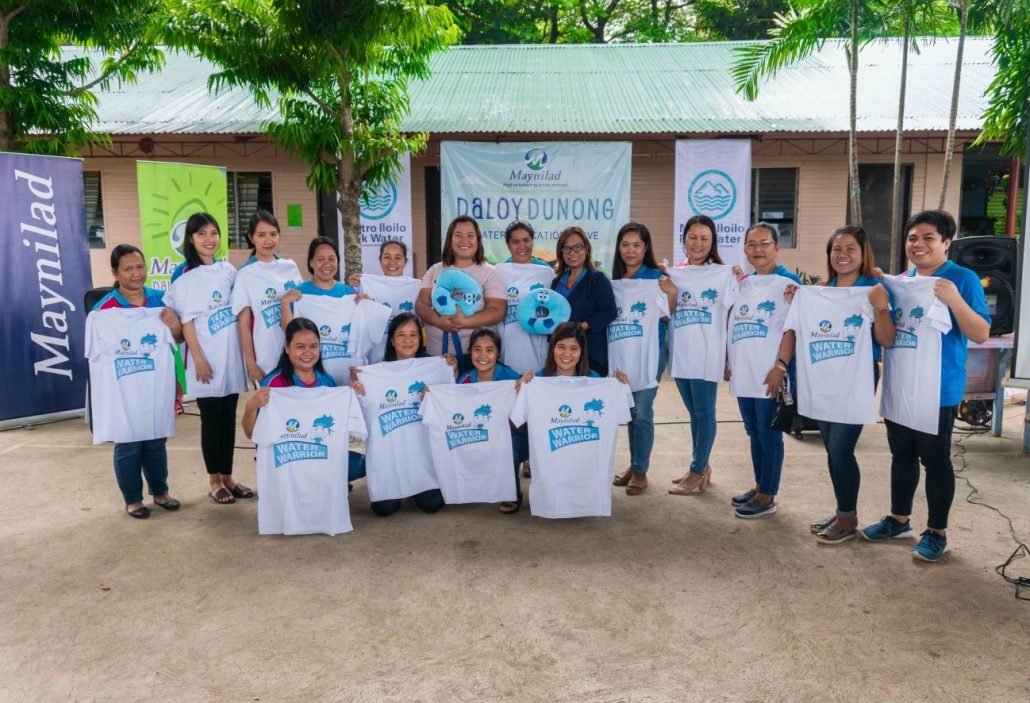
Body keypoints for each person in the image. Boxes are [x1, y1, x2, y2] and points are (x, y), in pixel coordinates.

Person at [861, 210, 990, 562]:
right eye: (912, 238)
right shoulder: (899, 280)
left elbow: (980, 332)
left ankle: (937, 532)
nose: (918, 244)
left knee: (935, 460)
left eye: (928, 237)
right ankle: (899, 519)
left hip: (938, 388)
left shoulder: (961, 279)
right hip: (900, 383)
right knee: (901, 455)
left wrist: (954, 300)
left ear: (946, 242)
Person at [767, 226, 895, 542]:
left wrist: (881, 306)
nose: (842, 255)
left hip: (856, 382)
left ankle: (848, 518)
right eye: (836, 249)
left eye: (850, 248)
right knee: (831, 449)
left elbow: (886, 339)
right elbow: (793, 330)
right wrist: (781, 362)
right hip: (820, 380)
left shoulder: (873, 288)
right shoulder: (818, 290)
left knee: (840, 449)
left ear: (863, 253)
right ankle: (843, 511)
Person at [165, 213, 252, 505]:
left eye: (214, 232)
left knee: (228, 418)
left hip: (230, 358)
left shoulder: (227, 270)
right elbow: (187, 322)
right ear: (190, 238)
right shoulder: (184, 274)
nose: (209, 239)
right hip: (205, 360)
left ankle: (228, 476)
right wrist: (199, 359)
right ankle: (213, 480)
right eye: (202, 234)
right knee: (211, 419)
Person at [93, 244, 183, 519]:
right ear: (115, 272)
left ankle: (160, 491)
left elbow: (179, 339)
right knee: (128, 442)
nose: (136, 274)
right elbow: (96, 358)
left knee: (156, 438)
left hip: (157, 382)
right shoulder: (103, 311)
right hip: (124, 388)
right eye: (128, 268)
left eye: (140, 267)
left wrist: (173, 325)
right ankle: (133, 499)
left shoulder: (161, 300)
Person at [727, 223, 801, 519]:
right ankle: (760, 485)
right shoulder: (745, 282)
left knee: (769, 434)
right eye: (751, 244)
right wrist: (728, 360)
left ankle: (768, 496)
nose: (758, 250)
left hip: (770, 373)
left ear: (776, 248)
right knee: (754, 432)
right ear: (745, 249)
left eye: (764, 243)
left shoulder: (788, 283)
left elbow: (792, 328)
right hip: (744, 372)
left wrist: (781, 367)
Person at [351, 313, 457, 516]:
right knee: (384, 509)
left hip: (423, 459)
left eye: (413, 335)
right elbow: (365, 416)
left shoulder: (435, 367)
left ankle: (418, 485)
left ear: (421, 339)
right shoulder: (375, 373)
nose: (408, 340)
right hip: (390, 459)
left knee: (432, 505)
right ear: (391, 340)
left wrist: (451, 371)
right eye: (401, 335)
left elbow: (449, 408)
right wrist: (361, 390)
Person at [242, 317, 366, 485]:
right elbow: (252, 434)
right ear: (287, 347)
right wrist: (250, 407)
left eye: (313, 346)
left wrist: (353, 394)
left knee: (358, 465)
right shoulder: (273, 384)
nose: (307, 352)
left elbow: (338, 428)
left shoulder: (327, 382)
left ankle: (326, 482)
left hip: (317, 452)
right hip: (288, 459)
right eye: (300, 346)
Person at [609, 222, 677, 496]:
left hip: (649, 354)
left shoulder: (655, 278)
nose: (630, 250)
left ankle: (641, 471)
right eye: (625, 244)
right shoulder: (615, 280)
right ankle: (634, 464)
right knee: (629, 410)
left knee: (642, 411)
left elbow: (666, 313)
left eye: (637, 245)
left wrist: (670, 292)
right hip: (621, 354)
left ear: (646, 247)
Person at [666, 216, 729, 496]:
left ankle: (696, 470)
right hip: (681, 353)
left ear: (712, 241)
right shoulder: (674, 273)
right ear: (684, 240)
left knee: (705, 413)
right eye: (692, 237)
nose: (698, 243)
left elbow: (732, 312)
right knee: (694, 413)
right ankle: (702, 466)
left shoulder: (723, 273)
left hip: (707, 354)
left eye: (704, 238)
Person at [415, 216, 506, 372]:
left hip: (475, 359)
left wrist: (463, 322)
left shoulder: (490, 272)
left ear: (477, 240)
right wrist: (439, 322)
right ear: (450, 239)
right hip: (436, 355)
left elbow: (498, 310)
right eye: (458, 235)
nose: (464, 240)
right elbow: (421, 304)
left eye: (470, 236)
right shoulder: (436, 269)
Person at [457, 327, 526, 514]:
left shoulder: (512, 378)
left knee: (506, 444)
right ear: (470, 352)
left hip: (514, 436)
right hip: (481, 434)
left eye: (489, 349)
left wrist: (523, 390)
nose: (483, 355)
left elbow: (522, 423)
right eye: (477, 349)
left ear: (498, 353)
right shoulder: (464, 381)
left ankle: (511, 492)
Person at [231, 210, 302, 386]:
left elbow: (303, 304)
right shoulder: (245, 274)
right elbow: (244, 324)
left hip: (298, 352)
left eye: (273, 234)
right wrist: (251, 363)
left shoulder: (290, 267)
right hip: (267, 357)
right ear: (251, 238)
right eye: (261, 235)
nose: (268, 240)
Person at [550, 226, 618, 376]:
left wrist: (581, 327)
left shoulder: (597, 279)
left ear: (586, 248)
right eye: (566, 249)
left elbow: (610, 312)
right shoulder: (556, 282)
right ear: (561, 253)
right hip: (562, 356)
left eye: (578, 247)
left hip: (591, 353)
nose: (572, 253)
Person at [280, 236, 357, 328]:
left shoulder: (349, 293)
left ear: (338, 261)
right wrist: (285, 303)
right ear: (311, 262)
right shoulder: (298, 294)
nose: (327, 264)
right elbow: (288, 332)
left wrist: (366, 302)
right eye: (320, 259)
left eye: (331, 259)